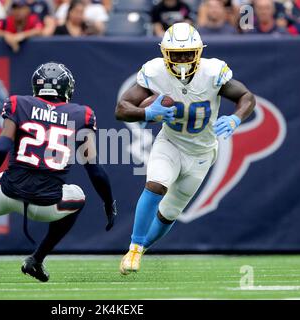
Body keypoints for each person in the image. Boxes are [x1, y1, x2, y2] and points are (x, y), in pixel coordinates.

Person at [0, 62, 117, 283]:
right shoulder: (82, 114)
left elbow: (0, 149)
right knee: (78, 195)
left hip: (8, 193)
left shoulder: (18, 103)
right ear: (66, 88)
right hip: (48, 204)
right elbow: (94, 169)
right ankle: (36, 260)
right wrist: (108, 203)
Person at [115, 23, 255, 275]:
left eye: (187, 53)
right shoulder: (155, 71)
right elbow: (121, 108)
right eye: (176, 54)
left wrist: (236, 118)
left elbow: (246, 96)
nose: (181, 60)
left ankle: (142, 249)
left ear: (199, 52)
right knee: (156, 184)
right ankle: (134, 248)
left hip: (202, 153)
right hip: (170, 142)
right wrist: (147, 112)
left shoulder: (213, 72)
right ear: (164, 53)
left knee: (169, 213)